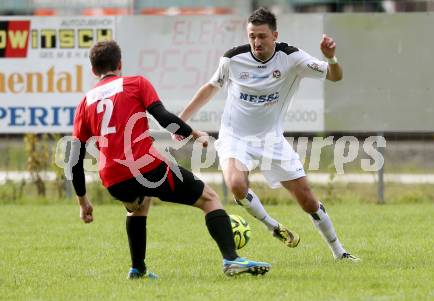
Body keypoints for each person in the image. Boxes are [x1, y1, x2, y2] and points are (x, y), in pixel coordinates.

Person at [69, 40, 271, 279]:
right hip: (145, 166)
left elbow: (74, 160)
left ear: (94, 71)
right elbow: (163, 117)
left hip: (113, 177)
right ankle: (232, 259)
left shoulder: (85, 102)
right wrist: (193, 134)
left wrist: (83, 202)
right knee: (209, 198)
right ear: (120, 64)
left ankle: (138, 269)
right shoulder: (135, 83)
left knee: (140, 204)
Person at [177, 7, 358, 261]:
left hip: (271, 139)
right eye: (252, 36)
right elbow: (210, 87)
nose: (256, 42)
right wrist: (181, 122)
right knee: (237, 184)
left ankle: (340, 252)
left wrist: (331, 58)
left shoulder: (291, 57)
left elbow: (335, 77)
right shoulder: (233, 59)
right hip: (234, 137)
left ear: (275, 35)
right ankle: (273, 226)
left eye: (262, 36)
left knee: (307, 200)